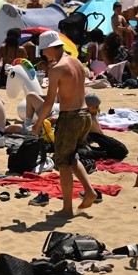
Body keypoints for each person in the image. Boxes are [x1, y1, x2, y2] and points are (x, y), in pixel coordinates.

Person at [33, 31, 98, 218]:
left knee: (62, 163)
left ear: (51, 48)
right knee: (71, 157)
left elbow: (49, 101)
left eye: (44, 51)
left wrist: (38, 123)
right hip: (85, 114)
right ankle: (90, 191)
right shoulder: (76, 61)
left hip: (70, 117)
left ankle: (67, 209)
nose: (44, 54)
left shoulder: (56, 69)